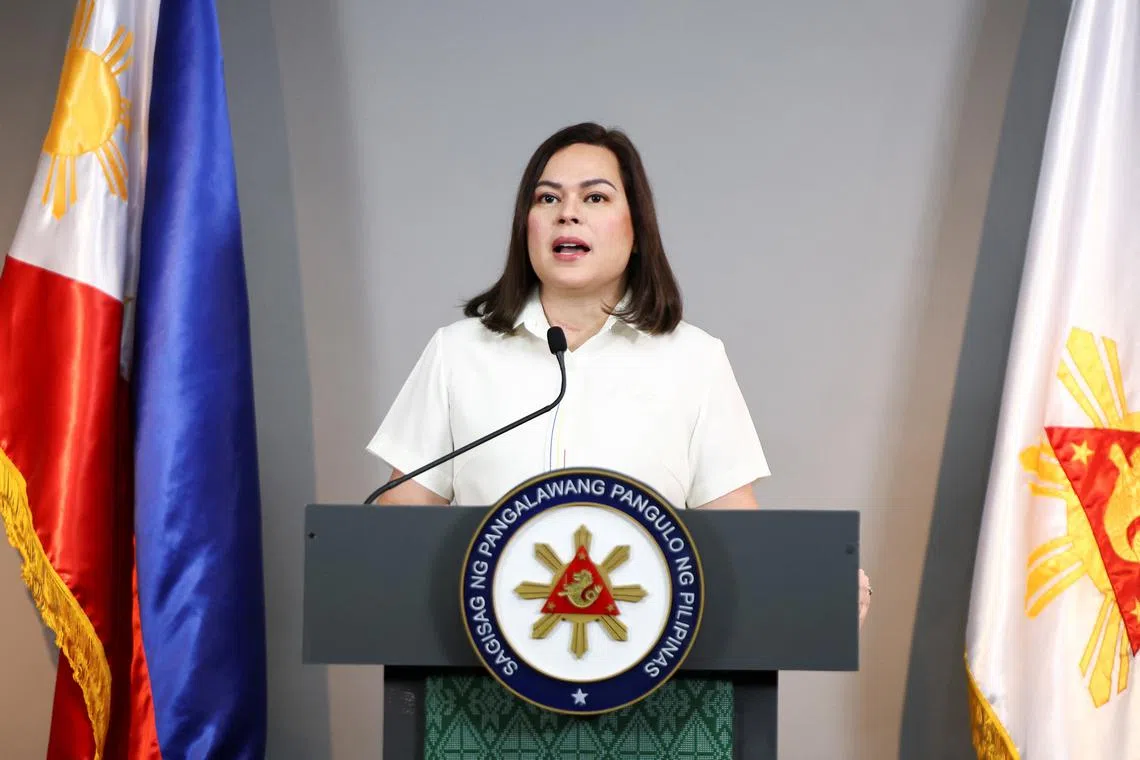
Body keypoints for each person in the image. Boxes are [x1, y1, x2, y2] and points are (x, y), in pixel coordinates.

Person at [366, 122, 870, 754]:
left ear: (637, 233)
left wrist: (811, 578)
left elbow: (739, 537)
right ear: (526, 227)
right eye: (547, 198)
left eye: (595, 197)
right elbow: (390, 537)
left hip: (653, 704)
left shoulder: (694, 360)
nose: (566, 212)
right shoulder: (458, 353)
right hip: (479, 700)